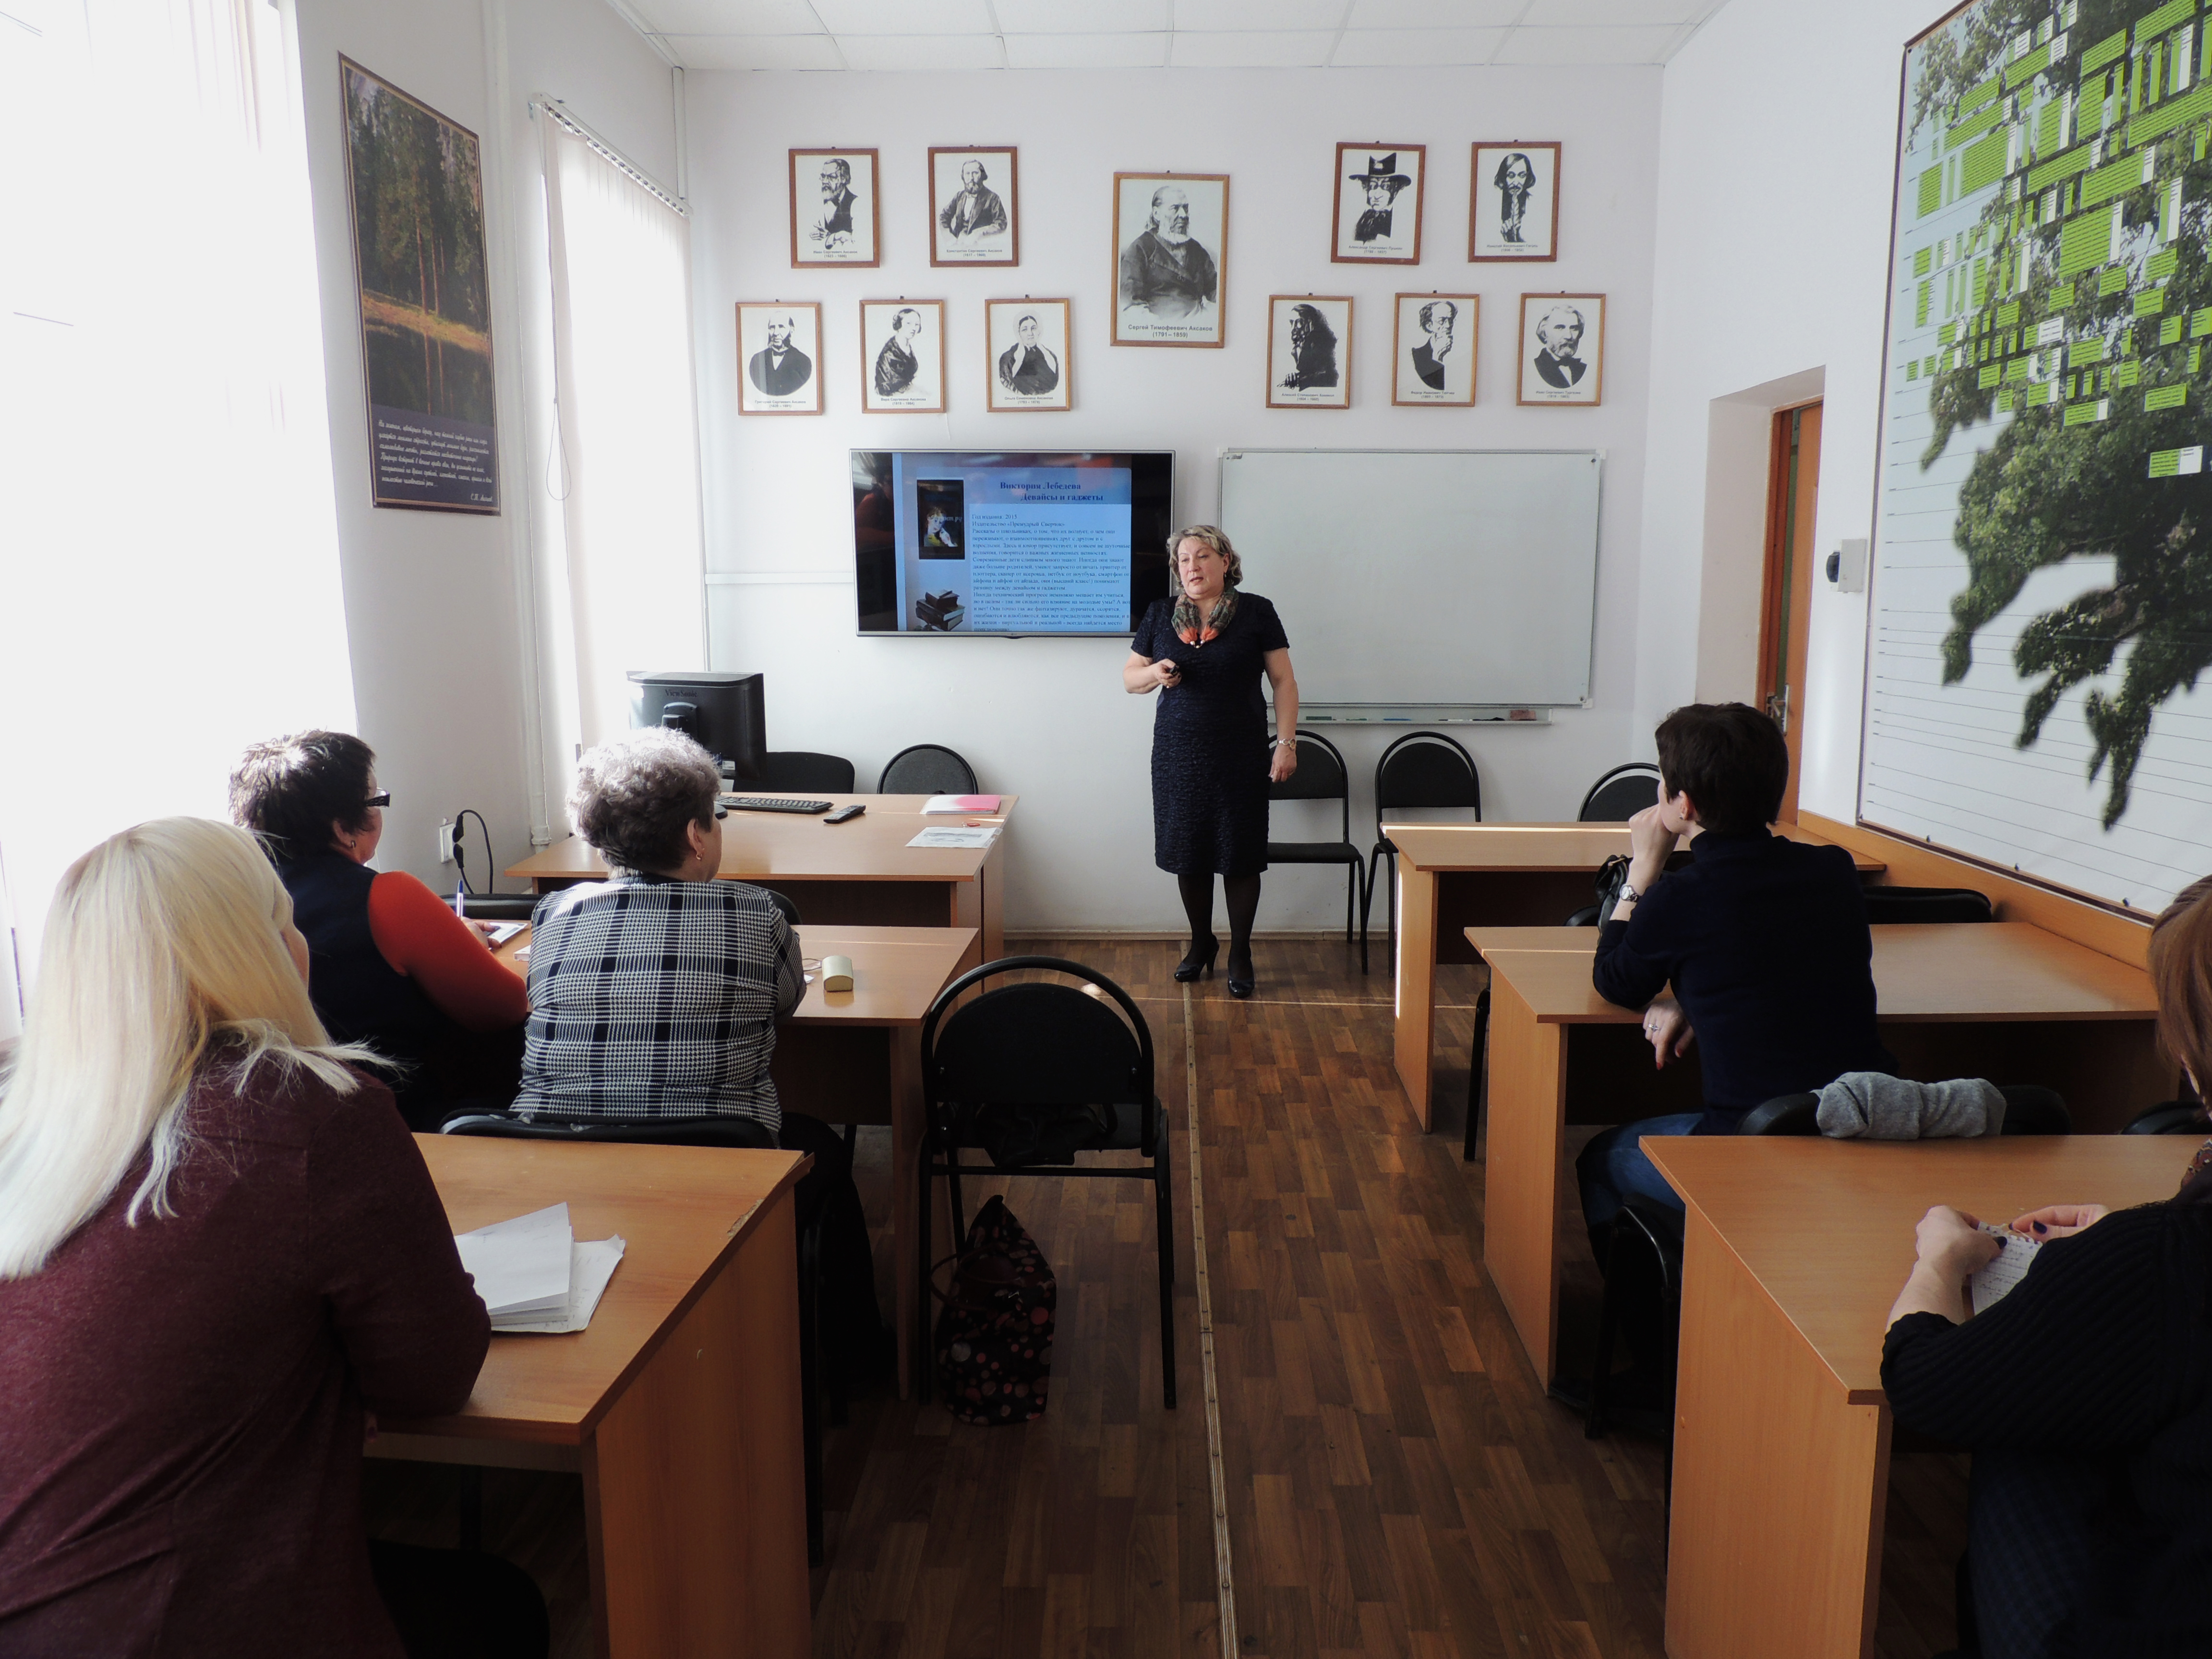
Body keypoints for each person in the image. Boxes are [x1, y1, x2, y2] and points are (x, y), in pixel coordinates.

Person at [0, 817, 545, 1657]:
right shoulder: (312, 1113)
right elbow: (433, 1378)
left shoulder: (25, 1121)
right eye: (285, 920)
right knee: (501, 1605)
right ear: (263, 949)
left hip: (37, 1608)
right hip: (176, 1619)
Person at [1880, 874, 2212, 1659]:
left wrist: (1938, 1262)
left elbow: (1924, 1383)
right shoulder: (2157, 1258)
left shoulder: (2161, 1262)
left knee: (2026, 1412)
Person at [515, 728, 886, 1385]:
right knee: (825, 1148)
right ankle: (858, 1360)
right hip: (718, 1171)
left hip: (557, 1171)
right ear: (696, 835)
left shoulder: (555, 914)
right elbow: (786, 1000)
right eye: (716, 818)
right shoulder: (757, 913)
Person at [1579, 701, 1891, 1230]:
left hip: (1752, 1144)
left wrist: (1644, 867)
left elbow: (1616, 982)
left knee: (1602, 1158)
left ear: (1684, 804)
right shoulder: (1833, 870)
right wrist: (1691, 1000)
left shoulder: (1682, 896)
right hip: (1867, 1125)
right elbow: (1764, 959)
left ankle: (1696, 1279)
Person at [230, 731, 529, 1130]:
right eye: (376, 800)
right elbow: (505, 1009)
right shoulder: (388, 898)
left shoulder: (231, 903)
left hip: (277, 1122)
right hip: (408, 1122)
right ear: (343, 828)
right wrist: (471, 941)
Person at [1123, 526, 1299, 1000]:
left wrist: (1286, 743)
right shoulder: (1160, 614)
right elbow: (1130, 679)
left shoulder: (1257, 611)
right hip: (1178, 755)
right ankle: (1202, 942)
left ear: (1225, 562)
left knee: (1240, 854)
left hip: (1241, 753)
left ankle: (1241, 952)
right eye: (1184, 559)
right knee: (1190, 852)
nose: (1192, 566)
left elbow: (1283, 681)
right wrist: (1155, 671)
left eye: (1202, 556)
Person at [1119, 184, 1217, 321]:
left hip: (1198, 324)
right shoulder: (1140, 249)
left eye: (1186, 208)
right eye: (1175, 208)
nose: (1184, 215)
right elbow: (1130, 305)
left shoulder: (1197, 250)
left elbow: (1216, 291)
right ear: (1156, 214)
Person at [938, 157, 1007, 241]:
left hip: (980, 244)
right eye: (967, 174)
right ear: (963, 176)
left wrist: (979, 234)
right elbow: (944, 216)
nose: (971, 178)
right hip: (957, 244)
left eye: (975, 173)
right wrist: (948, 236)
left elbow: (1001, 224)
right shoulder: (959, 196)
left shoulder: (993, 198)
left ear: (982, 175)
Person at [1349, 153, 1410, 243]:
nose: (1377, 195)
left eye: (1385, 187)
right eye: (1373, 187)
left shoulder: (1401, 220)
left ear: (1395, 191)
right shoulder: (1360, 217)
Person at [747, 313, 812, 396]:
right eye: (772, 328)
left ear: (792, 330)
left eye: (781, 327)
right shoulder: (757, 359)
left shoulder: (804, 361)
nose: (776, 333)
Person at [997, 313, 1060, 395]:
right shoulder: (1008, 357)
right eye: (1025, 330)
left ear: (1039, 331)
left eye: (1034, 329)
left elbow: (1053, 382)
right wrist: (1019, 361)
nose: (1030, 333)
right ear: (1019, 333)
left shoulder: (1049, 356)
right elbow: (1008, 383)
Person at [1280, 304, 1339, 390]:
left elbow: (1328, 375)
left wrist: (1298, 380)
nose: (1293, 329)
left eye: (1299, 323)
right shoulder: (1296, 349)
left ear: (1310, 323)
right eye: (1291, 323)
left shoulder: (1322, 343)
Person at [809, 156, 860, 252]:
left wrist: (831, 237)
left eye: (831, 177)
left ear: (843, 178)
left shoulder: (856, 203)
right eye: (823, 177)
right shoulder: (819, 203)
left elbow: (859, 244)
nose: (825, 182)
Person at [1533, 303, 1588, 388]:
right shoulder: (1535, 367)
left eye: (1574, 329)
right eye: (1560, 328)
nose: (1569, 336)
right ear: (1545, 333)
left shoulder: (1582, 368)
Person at [875, 306, 923, 397]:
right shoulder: (889, 352)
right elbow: (887, 386)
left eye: (917, 324)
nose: (914, 328)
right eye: (909, 323)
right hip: (891, 396)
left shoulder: (908, 347)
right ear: (899, 324)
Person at [1410, 299, 1456, 391]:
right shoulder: (1418, 355)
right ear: (1429, 326)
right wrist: (1437, 358)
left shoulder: (1463, 350)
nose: (1448, 326)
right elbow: (1436, 387)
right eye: (1442, 321)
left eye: (1450, 320)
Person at [1495, 150, 1536, 244]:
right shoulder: (1495, 202)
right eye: (1511, 176)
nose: (1516, 182)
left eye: (1522, 176)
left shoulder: (1533, 202)